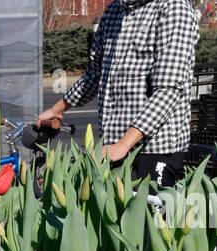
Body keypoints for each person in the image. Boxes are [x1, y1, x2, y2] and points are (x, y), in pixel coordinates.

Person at [38, 0, 200, 186]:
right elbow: (96, 73)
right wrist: (58, 109)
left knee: (148, 214)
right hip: (114, 146)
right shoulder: (115, 11)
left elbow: (168, 90)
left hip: (155, 149)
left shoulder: (173, 8)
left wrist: (123, 145)